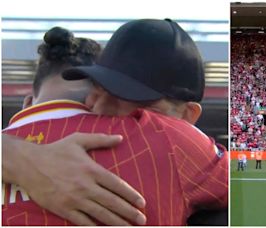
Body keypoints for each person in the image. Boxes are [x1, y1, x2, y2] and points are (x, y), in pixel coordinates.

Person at [3, 20, 228, 226]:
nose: (101, 109)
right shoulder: (167, 141)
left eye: (141, 103)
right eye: (103, 89)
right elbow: (259, 178)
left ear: (188, 116)